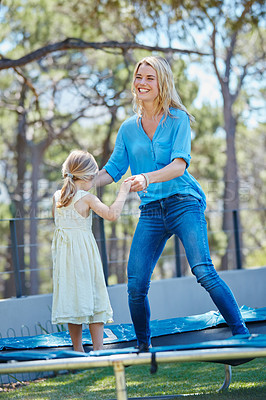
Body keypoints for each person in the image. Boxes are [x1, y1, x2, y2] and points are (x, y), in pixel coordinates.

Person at [96, 56, 249, 352]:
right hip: (151, 212)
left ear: (162, 83)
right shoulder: (128, 128)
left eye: (149, 78)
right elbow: (112, 171)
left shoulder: (178, 119)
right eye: (139, 77)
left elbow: (179, 165)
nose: (142, 82)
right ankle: (144, 348)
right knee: (136, 285)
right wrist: (79, 183)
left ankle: (241, 334)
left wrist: (146, 178)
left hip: (184, 203)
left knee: (203, 270)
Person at [51, 150, 131, 352]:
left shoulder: (57, 197)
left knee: (72, 299)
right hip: (84, 256)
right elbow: (112, 215)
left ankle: (77, 350)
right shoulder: (86, 198)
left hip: (64, 259)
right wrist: (124, 191)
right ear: (87, 177)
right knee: (94, 297)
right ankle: (99, 349)